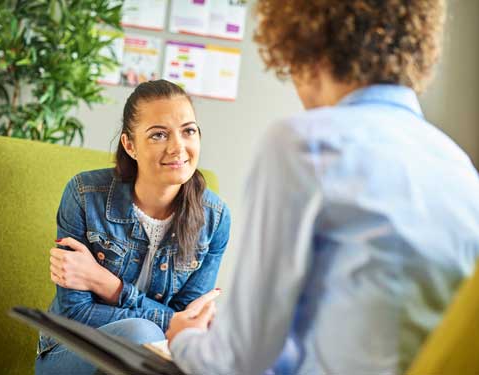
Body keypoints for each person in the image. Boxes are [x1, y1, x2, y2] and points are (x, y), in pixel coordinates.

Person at [165, 0, 479, 374]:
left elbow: (235, 364)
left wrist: (183, 338)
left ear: (303, 42)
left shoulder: (306, 144)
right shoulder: (460, 169)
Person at [35, 80, 231, 374]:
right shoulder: (84, 196)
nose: (178, 147)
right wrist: (169, 321)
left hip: (157, 363)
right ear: (130, 145)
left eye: (188, 131)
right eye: (159, 135)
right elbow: (75, 313)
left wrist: (106, 284)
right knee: (142, 336)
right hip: (71, 349)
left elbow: (188, 328)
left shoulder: (215, 219)